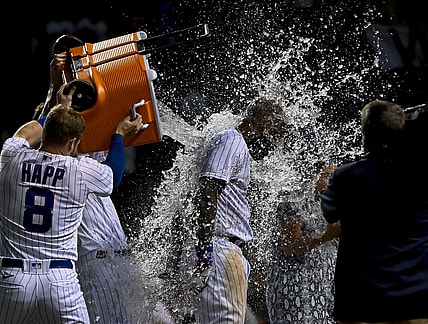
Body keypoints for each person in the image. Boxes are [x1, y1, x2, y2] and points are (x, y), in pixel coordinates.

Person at [37, 50, 175, 324]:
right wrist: (119, 136)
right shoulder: (56, 166)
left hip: (122, 261)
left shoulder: (81, 154)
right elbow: (112, 175)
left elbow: (108, 111)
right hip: (96, 266)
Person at [0, 87, 143, 323]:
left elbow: (24, 134)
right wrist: (118, 135)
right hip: (60, 279)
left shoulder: (12, 157)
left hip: (14, 277)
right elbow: (114, 175)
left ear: (45, 132)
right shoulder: (79, 170)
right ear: (73, 142)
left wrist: (59, 111)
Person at [321, 100, 428, 323]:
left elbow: (330, 213)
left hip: (364, 301)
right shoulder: (421, 175)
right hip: (416, 299)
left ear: (365, 135)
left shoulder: (346, 176)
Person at [192, 98, 286, 323]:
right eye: (275, 129)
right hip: (220, 251)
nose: (275, 140)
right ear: (260, 120)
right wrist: (205, 249)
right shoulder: (233, 141)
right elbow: (208, 190)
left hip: (219, 249)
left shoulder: (230, 141)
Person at [266, 165, 340, 323]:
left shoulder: (328, 202)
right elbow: (290, 244)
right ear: (310, 173)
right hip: (298, 290)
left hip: (323, 289)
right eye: (327, 176)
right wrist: (325, 237)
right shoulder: (294, 196)